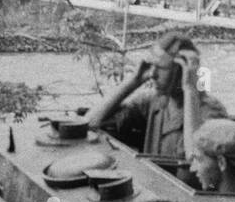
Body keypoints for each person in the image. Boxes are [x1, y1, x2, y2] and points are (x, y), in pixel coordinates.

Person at [88, 32, 227, 174]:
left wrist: (190, 88)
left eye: (161, 68)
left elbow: (197, 160)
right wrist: (134, 81)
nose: (152, 74)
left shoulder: (211, 112)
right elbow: (90, 123)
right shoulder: (154, 102)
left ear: (181, 71)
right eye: (152, 66)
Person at [190, 119, 235, 194]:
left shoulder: (219, 198)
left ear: (221, 162)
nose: (192, 169)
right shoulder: (212, 186)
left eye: (199, 160)